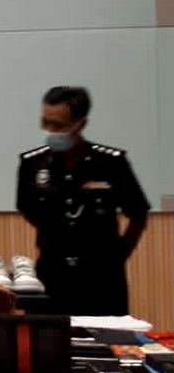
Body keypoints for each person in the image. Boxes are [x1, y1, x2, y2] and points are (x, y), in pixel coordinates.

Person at [17, 86, 149, 316]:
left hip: (102, 276)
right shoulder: (33, 163)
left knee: (107, 344)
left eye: (58, 125)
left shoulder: (110, 162)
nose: (50, 131)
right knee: (50, 344)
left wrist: (119, 256)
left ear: (80, 123)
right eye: (45, 123)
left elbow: (138, 213)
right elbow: (27, 208)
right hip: (52, 272)